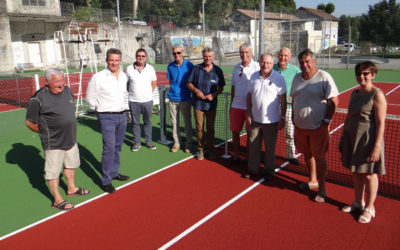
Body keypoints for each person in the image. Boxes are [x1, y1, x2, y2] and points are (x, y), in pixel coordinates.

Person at [25, 68, 90, 210]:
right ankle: (57, 199)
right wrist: (45, 133)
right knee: (53, 171)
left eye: (62, 80)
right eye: (57, 82)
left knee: (70, 164)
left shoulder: (67, 91)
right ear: (46, 82)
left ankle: (71, 188)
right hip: (53, 142)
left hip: (71, 138)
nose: (61, 84)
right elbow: (30, 122)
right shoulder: (38, 98)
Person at [339, 61, 386, 223]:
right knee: (356, 172)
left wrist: (376, 146)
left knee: (369, 175)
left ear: (373, 75)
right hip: (353, 138)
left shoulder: (377, 94)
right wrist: (344, 136)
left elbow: (381, 123)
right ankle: (359, 202)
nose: (361, 76)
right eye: (359, 73)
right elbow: (349, 117)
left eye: (365, 73)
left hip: (369, 140)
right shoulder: (354, 94)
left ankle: (370, 207)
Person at [291, 48, 339, 203]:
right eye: (302, 62)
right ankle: (312, 180)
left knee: (320, 158)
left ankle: (323, 189)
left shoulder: (324, 77)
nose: (304, 65)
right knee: (307, 155)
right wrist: (293, 117)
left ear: (314, 62)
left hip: (318, 127)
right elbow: (294, 99)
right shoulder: (297, 78)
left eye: (307, 62)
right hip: (300, 127)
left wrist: (326, 121)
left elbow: (334, 102)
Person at [86, 48, 130, 194]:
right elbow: (90, 99)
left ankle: (114, 172)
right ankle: (106, 181)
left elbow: (125, 94)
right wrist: (100, 111)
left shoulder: (123, 77)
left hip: (121, 115)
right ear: (106, 60)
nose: (114, 63)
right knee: (109, 148)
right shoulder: (98, 77)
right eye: (111, 60)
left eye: (117, 60)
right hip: (106, 116)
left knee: (117, 147)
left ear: (120, 61)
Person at [244, 53, 287, 180]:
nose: (265, 65)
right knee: (253, 147)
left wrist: (282, 118)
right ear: (259, 63)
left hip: (272, 121)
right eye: (263, 62)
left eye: (268, 63)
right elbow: (249, 97)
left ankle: (269, 170)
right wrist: (248, 114)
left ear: (272, 64)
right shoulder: (253, 76)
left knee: (270, 148)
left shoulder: (279, 78)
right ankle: (252, 169)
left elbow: (283, 100)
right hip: (255, 120)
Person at [187, 47, 225, 160]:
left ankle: (210, 149)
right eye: (205, 56)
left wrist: (213, 95)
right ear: (203, 56)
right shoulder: (196, 69)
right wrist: (196, 91)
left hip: (211, 105)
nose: (207, 58)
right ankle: (200, 150)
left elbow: (221, 87)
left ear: (213, 57)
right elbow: (189, 83)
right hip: (198, 104)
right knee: (199, 128)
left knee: (210, 128)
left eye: (209, 56)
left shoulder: (218, 70)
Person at [230, 43, 260, 164]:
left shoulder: (257, 66)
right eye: (242, 52)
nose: (244, 54)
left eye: (247, 52)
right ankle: (235, 156)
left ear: (251, 53)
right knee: (235, 133)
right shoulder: (236, 67)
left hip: (250, 108)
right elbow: (233, 86)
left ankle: (249, 158)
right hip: (236, 106)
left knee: (250, 134)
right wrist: (231, 104)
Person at [273, 47, 301, 166]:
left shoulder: (295, 70)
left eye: (285, 55)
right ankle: (270, 154)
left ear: (289, 57)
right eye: (281, 55)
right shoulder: (272, 68)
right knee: (271, 133)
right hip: (272, 108)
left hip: (289, 108)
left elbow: (303, 82)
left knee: (289, 133)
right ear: (278, 56)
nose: (282, 58)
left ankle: (291, 156)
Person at [126, 48, 158, 151]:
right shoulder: (129, 69)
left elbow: (154, 82)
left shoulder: (151, 68)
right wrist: (133, 93)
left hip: (147, 101)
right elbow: (127, 84)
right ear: (136, 57)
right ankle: (136, 143)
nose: (141, 57)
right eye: (139, 55)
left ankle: (148, 142)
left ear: (146, 57)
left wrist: (148, 92)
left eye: (143, 56)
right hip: (133, 101)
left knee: (147, 122)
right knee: (135, 123)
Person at [167, 45, 194, 153]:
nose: (176, 55)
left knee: (187, 122)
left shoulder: (189, 65)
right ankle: (177, 143)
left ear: (182, 52)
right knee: (174, 122)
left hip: (185, 98)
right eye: (174, 53)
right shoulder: (170, 66)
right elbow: (171, 81)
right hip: (172, 98)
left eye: (178, 53)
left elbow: (193, 81)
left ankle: (189, 143)